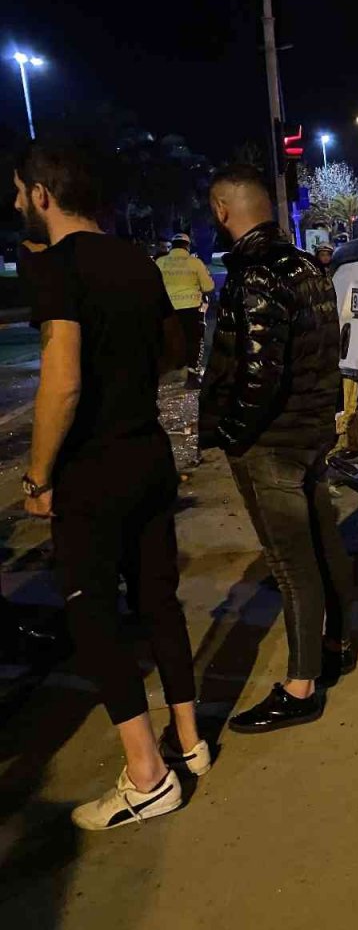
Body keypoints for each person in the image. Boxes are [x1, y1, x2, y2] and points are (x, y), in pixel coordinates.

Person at [13, 139, 208, 830]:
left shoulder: (56, 266)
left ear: (42, 194)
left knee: (91, 614)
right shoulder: (136, 259)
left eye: (18, 192)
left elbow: (61, 377)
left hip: (93, 469)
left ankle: (148, 775)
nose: (15, 204)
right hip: (148, 453)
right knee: (158, 598)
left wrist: (38, 476)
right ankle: (189, 739)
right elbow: (172, 348)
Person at [200, 164, 355, 732]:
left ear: (223, 210)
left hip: (274, 443)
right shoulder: (306, 268)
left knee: (292, 566)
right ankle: (332, 648)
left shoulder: (256, 272)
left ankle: (301, 686)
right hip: (309, 433)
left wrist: (234, 433)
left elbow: (258, 374)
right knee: (321, 546)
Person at [155, 232, 216, 388]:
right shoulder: (194, 263)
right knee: (194, 341)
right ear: (187, 246)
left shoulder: (160, 262)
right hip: (190, 308)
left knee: (167, 340)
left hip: (167, 310)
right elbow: (208, 287)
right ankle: (192, 377)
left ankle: (166, 373)